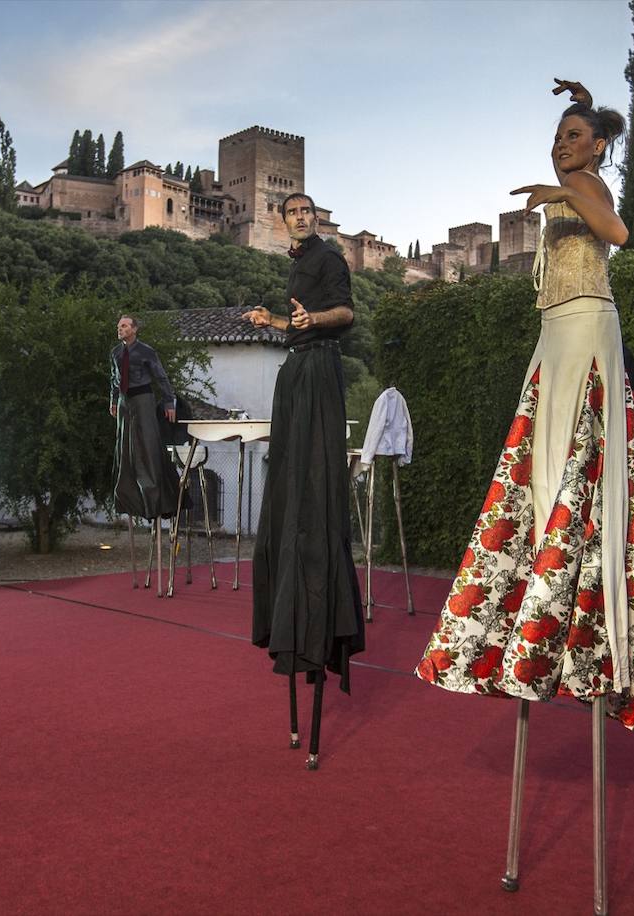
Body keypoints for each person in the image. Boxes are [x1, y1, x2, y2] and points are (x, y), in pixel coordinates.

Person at [415, 79, 634, 741]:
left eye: (575, 138)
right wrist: (586, 104)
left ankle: (564, 608)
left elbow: (619, 231)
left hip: (584, 328)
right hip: (554, 333)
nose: (561, 147)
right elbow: (589, 171)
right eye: (557, 138)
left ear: (599, 147)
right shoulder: (579, 180)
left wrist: (562, 189)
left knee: (564, 472)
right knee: (538, 472)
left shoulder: (589, 188)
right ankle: (537, 607)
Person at [242, 192, 365, 770]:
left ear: (314, 217)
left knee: (315, 495)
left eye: (306, 210)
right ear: (280, 221)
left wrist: (311, 320)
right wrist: (272, 321)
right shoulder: (293, 263)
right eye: (291, 212)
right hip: (294, 372)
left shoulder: (329, 258)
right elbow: (297, 322)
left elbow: (345, 315)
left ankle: (320, 626)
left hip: (318, 371)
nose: (299, 217)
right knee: (288, 495)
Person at [109, 314, 182, 521]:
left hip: (143, 399)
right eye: (118, 326)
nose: (120, 329)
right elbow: (114, 379)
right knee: (125, 446)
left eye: (123, 326)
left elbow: (160, 376)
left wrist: (169, 402)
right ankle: (128, 496)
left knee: (147, 444)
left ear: (134, 329)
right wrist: (113, 401)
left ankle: (154, 496)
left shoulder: (146, 351)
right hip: (124, 402)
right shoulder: (115, 352)